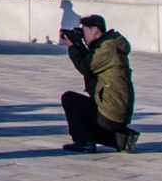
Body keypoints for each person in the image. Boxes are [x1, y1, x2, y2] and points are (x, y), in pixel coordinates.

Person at [59, 15, 138, 154]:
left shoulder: (107, 48)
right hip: (116, 110)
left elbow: (85, 67)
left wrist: (72, 47)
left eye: (85, 31)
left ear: (95, 30)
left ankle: (84, 142)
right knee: (84, 109)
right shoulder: (109, 44)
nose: (83, 35)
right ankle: (122, 139)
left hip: (111, 112)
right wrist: (79, 45)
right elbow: (92, 63)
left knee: (70, 99)